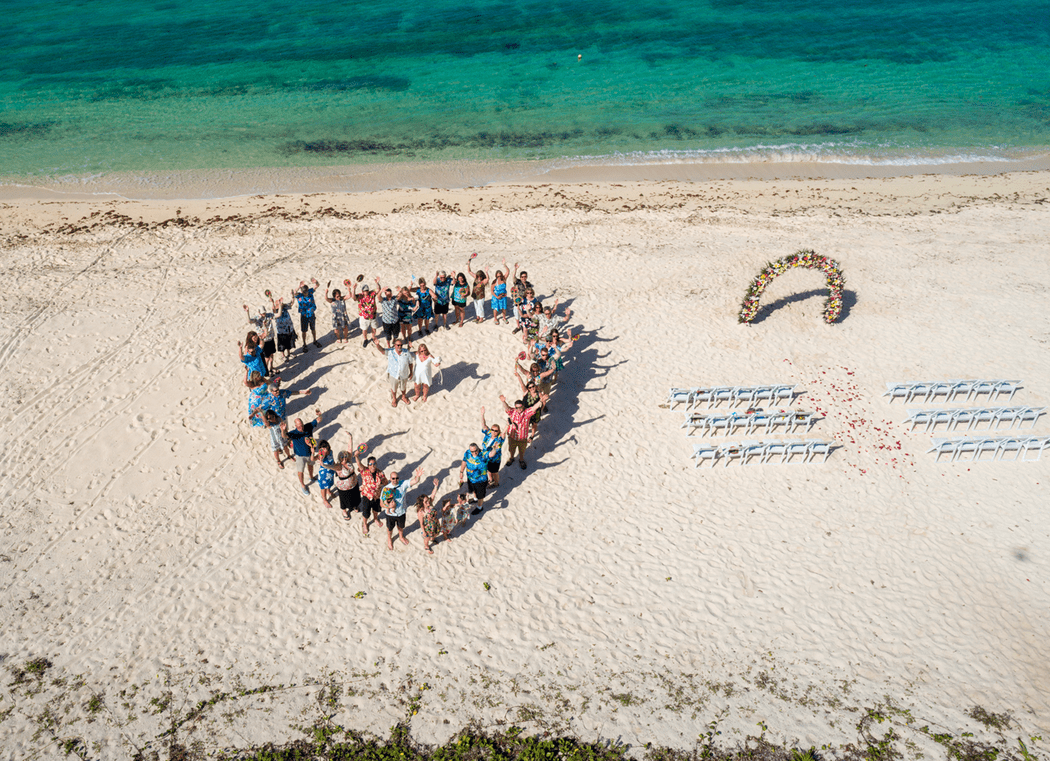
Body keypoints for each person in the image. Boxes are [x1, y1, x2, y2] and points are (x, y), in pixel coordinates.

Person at [500, 392, 548, 470]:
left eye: (520, 407)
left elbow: (533, 408)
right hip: (512, 437)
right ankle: (511, 458)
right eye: (517, 408)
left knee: (522, 451)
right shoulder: (513, 412)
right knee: (511, 450)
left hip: (522, 438)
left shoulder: (526, 413)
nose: (518, 409)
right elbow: (507, 408)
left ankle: (521, 460)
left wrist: (540, 401)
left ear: (523, 406)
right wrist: (503, 401)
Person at [379, 467, 424, 550]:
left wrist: (417, 476)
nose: (395, 480)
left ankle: (401, 537)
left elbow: (414, 481)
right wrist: (389, 507)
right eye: (393, 478)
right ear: (390, 478)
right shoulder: (385, 488)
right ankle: (389, 539)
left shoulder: (403, 484)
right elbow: (381, 504)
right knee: (390, 528)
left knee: (401, 527)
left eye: (396, 478)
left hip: (401, 512)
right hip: (390, 514)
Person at [281, 408, 322, 495]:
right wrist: (283, 430)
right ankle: (302, 485)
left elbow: (318, 420)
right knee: (301, 471)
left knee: (311, 466)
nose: (301, 427)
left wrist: (319, 415)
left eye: (302, 425)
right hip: (300, 456)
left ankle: (311, 477)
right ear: (295, 426)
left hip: (310, 453)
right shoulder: (294, 433)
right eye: (299, 426)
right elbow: (284, 436)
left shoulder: (308, 426)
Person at [375, 338, 415, 407]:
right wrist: (378, 345)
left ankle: (403, 397)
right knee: (394, 388)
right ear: (394, 345)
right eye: (398, 345)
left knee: (403, 388)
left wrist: (411, 372)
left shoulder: (406, 352)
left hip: (404, 374)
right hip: (393, 374)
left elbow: (410, 363)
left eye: (401, 345)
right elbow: (382, 351)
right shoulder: (391, 352)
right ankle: (394, 399)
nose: (399, 347)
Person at [355, 452, 388, 535]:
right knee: (366, 512)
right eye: (370, 464)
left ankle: (375, 519)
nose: (372, 466)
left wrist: (383, 480)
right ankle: (365, 524)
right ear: (368, 465)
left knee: (376, 510)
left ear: (376, 464)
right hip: (367, 496)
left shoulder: (380, 473)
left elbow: (386, 483)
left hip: (376, 496)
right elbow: (359, 463)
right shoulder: (364, 471)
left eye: (374, 464)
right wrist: (356, 456)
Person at [414, 478, 447, 554]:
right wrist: (423, 531)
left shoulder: (430, 504)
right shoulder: (421, 512)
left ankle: (433, 539)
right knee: (427, 538)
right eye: (426, 501)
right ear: (422, 503)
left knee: (435, 533)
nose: (428, 501)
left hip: (435, 523)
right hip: (427, 527)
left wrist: (435, 486)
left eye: (428, 500)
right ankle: (426, 546)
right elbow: (421, 523)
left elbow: (433, 494)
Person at [333, 439, 361, 523]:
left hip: (354, 483)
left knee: (355, 496)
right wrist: (323, 465)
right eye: (342, 457)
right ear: (339, 458)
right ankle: (344, 511)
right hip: (344, 487)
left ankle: (355, 506)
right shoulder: (338, 466)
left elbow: (349, 450)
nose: (344, 458)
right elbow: (330, 467)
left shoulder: (349, 461)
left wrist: (350, 438)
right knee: (344, 500)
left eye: (345, 456)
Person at [459, 442, 490, 515]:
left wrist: (495, 448)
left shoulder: (483, 454)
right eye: (472, 451)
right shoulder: (467, 453)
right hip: (470, 478)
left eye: (476, 450)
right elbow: (464, 461)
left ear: (478, 448)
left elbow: (491, 454)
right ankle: (475, 499)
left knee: (480, 495)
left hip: (481, 479)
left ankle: (480, 507)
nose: (474, 452)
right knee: (473, 490)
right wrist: (461, 472)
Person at [244, 304, 277, 374]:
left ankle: (271, 368)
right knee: (266, 357)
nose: (264, 314)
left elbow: (278, 315)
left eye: (264, 312)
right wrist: (247, 312)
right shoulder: (257, 318)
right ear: (259, 312)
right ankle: (266, 371)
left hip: (271, 338)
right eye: (262, 313)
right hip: (263, 341)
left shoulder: (269, 315)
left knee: (271, 354)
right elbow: (249, 321)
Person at [480, 406, 505, 488]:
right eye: (492, 430)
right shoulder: (488, 434)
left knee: (495, 472)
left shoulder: (499, 439)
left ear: (498, 431)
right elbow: (483, 425)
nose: (494, 432)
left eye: (496, 430)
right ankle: (491, 480)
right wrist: (482, 414)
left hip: (494, 460)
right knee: (488, 471)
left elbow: (503, 434)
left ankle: (496, 483)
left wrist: (507, 426)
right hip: (486, 457)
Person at [293, 278, 321, 352]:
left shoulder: (310, 292)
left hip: (311, 314)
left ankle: (315, 340)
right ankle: (304, 344)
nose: (306, 293)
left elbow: (317, 285)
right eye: (305, 292)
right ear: (302, 291)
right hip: (304, 316)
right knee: (304, 331)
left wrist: (316, 282)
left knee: (313, 329)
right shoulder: (299, 295)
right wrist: (299, 286)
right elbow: (294, 292)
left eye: (307, 291)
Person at [352, 276, 381, 348]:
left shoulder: (372, 293)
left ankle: (373, 337)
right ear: (362, 291)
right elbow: (353, 298)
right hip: (364, 316)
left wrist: (377, 283)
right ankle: (365, 339)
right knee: (364, 329)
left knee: (373, 328)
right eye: (364, 290)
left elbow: (378, 289)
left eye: (367, 290)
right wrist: (353, 289)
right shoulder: (360, 296)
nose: (366, 292)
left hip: (373, 315)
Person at [312, 438, 336, 510]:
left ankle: (329, 491)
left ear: (328, 447)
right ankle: (325, 500)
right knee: (323, 488)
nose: (324, 450)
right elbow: (312, 459)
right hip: (323, 474)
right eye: (322, 448)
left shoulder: (331, 452)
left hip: (330, 471)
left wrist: (335, 467)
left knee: (329, 484)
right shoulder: (320, 455)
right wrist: (312, 452)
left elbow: (332, 460)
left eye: (325, 447)